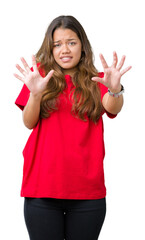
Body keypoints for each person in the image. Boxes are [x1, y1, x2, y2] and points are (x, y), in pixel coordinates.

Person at [14, 15, 131, 240]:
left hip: (87, 191)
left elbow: (113, 107)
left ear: (82, 46)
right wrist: (36, 94)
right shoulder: (39, 78)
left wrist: (115, 89)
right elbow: (29, 122)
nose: (64, 50)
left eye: (71, 42)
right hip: (42, 188)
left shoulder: (96, 80)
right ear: (50, 48)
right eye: (57, 44)